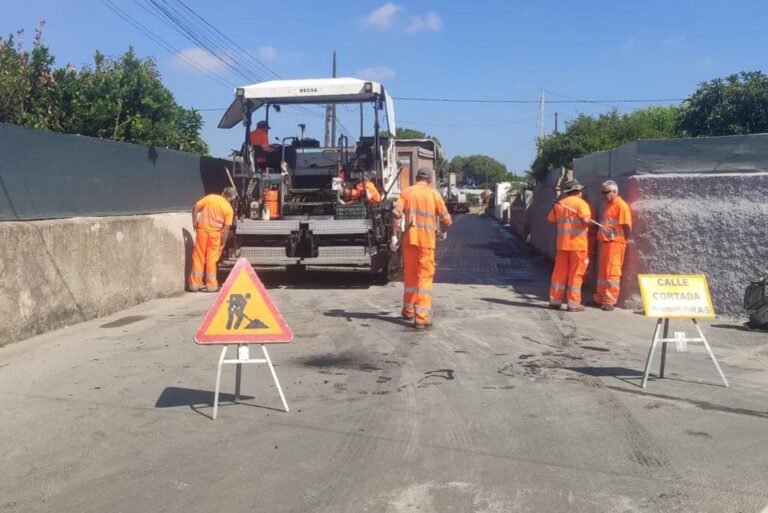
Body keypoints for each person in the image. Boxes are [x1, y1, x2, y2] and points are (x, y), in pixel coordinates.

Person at [391, 168, 452, 329]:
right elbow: (447, 220)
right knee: (424, 278)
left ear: (417, 177)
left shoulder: (406, 192)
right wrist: (442, 232)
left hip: (409, 241)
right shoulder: (434, 194)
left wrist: (394, 236)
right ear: (430, 180)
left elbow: (396, 214)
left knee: (410, 276)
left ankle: (408, 310)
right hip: (426, 242)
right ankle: (421, 317)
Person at [547, 179, 591, 312]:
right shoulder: (581, 204)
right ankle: (573, 304)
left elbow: (550, 219)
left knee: (559, 273)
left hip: (562, 245)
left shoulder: (559, 204)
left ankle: (555, 301)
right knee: (576, 274)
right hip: (578, 245)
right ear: (578, 191)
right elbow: (585, 221)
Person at [593, 180, 632, 311]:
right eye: (602, 192)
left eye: (606, 192)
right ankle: (600, 298)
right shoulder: (608, 206)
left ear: (614, 192)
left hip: (615, 244)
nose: (603, 195)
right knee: (604, 273)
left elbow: (627, 226)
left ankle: (609, 301)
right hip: (606, 243)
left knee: (612, 272)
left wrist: (621, 240)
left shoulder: (621, 206)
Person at [188, 187, 236, 292]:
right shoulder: (229, 209)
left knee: (198, 257)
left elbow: (195, 206)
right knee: (211, 259)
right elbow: (227, 228)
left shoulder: (211, 197)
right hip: (215, 235)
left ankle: (194, 285)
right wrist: (223, 243)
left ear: (223, 192)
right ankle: (211, 285)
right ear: (231, 198)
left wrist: (194, 222)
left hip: (202, 232)